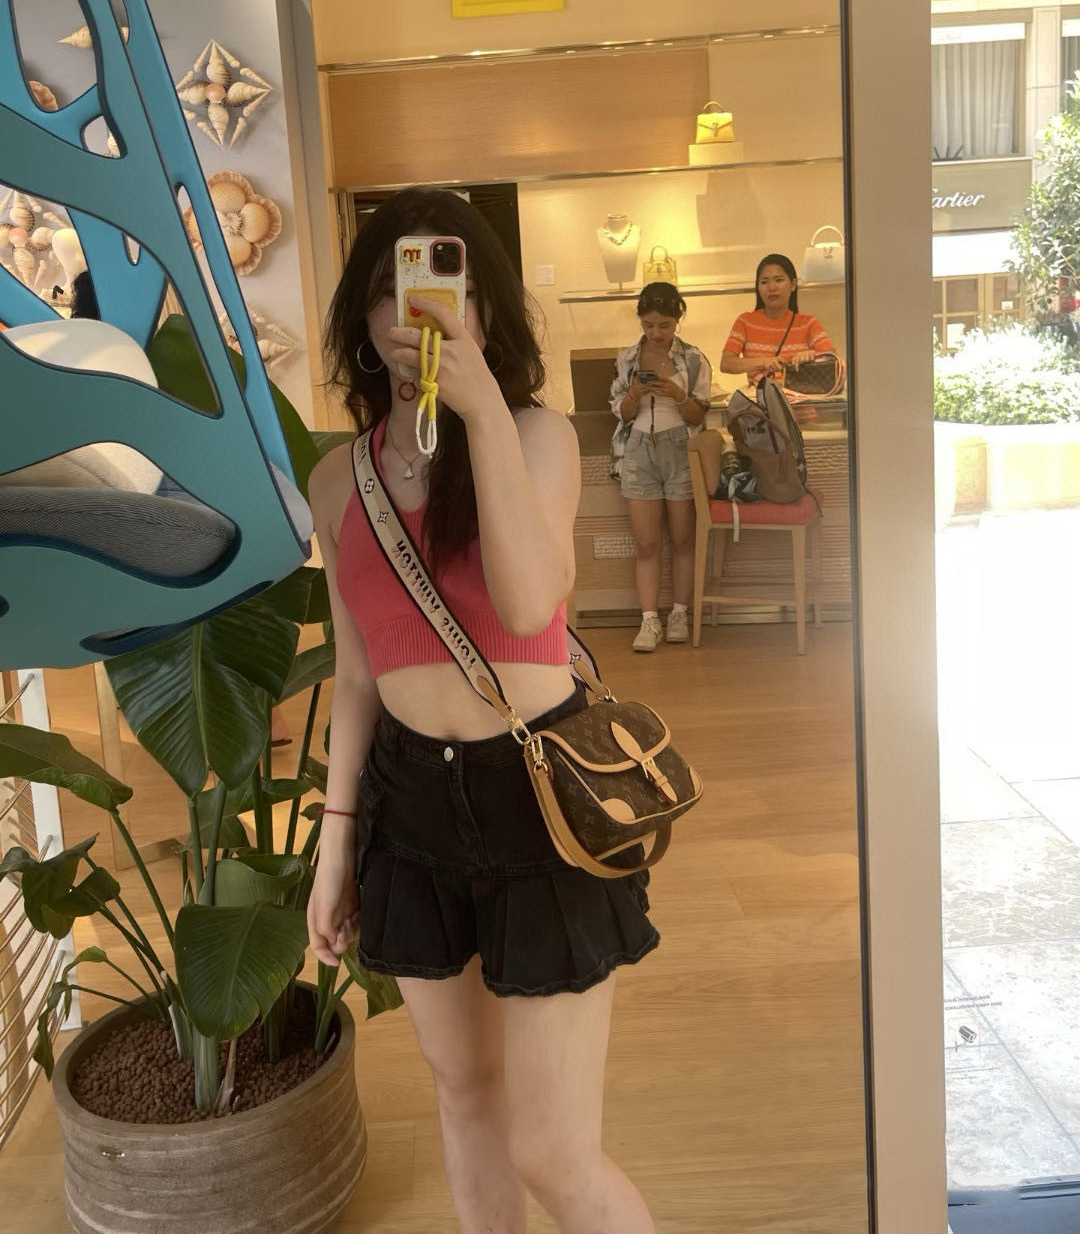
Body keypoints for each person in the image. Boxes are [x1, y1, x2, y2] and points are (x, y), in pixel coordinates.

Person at [307, 186, 657, 1234]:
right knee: (464, 1094)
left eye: (443, 282)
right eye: (390, 286)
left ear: (486, 308)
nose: (414, 310)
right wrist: (335, 845)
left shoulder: (537, 436)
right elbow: (357, 677)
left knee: (553, 1148)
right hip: (410, 802)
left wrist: (483, 415)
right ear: (363, 318)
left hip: (537, 793)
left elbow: (527, 603)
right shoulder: (337, 482)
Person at [608, 282, 711, 654]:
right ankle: (649, 619)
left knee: (683, 538)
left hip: (681, 448)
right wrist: (635, 394)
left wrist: (679, 395)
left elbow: (700, 414)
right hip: (638, 449)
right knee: (647, 543)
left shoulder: (694, 359)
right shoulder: (627, 359)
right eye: (648, 324)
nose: (655, 332)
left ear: (678, 319)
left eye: (664, 325)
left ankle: (680, 613)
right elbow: (621, 413)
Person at [720, 252, 836, 384]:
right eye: (764, 282)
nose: (772, 287)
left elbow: (833, 359)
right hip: (760, 397)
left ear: (793, 284)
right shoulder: (745, 321)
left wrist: (813, 356)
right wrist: (764, 362)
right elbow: (726, 363)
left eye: (779, 280)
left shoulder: (807, 323)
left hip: (799, 397)